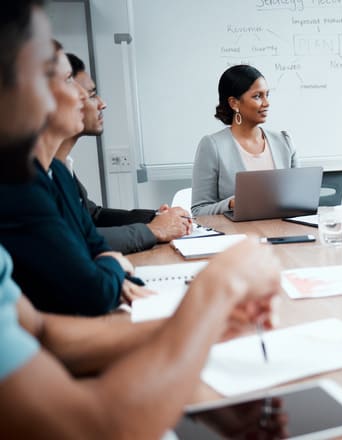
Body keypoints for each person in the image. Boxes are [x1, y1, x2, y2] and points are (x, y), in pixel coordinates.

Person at [0, 3, 281, 437]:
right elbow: (91, 424)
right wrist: (215, 290)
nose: (80, 95)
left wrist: (204, 330)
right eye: (54, 75)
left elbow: (44, 334)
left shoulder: (46, 174)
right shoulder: (18, 190)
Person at [0, 40, 147, 315]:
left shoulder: (60, 175)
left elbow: (96, 250)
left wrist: (110, 271)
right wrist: (113, 266)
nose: (83, 96)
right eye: (69, 80)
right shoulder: (17, 188)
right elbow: (93, 290)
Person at [55, 53, 190, 254]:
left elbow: (93, 215)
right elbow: (71, 241)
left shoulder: (61, 165)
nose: (102, 103)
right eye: (91, 94)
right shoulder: (30, 174)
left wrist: (154, 217)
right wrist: (153, 230)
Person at [191, 64, 297, 216]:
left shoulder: (284, 142)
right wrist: (232, 203)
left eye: (267, 95)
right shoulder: (212, 146)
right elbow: (199, 211)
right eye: (257, 96)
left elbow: (298, 199)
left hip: (282, 233)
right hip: (238, 236)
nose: (266, 103)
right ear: (234, 103)